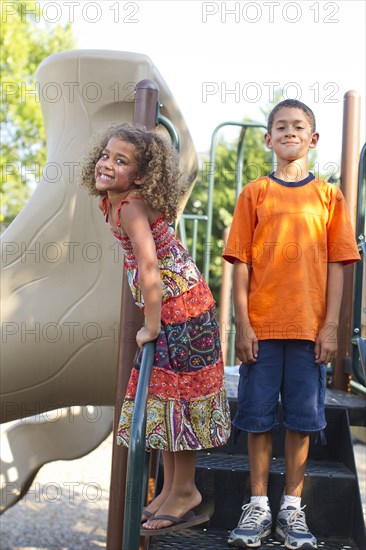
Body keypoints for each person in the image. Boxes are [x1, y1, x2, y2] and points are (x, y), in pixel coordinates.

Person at [80, 123, 231, 536]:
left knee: (178, 400)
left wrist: (151, 324)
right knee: (165, 401)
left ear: (143, 176)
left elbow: (149, 265)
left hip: (181, 313)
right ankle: (172, 490)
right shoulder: (113, 202)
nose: (107, 164)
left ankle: (185, 490)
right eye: (106, 155)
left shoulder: (130, 205)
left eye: (121, 160)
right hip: (178, 309)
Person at [223, 99, 360, 549]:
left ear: (313, 139)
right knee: (258, 419)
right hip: (261, 330)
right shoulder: (254, 193)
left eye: (298, 127)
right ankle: (259, 505)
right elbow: (239, 263)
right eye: (280, 127)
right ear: (268, 139)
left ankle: (291, 510)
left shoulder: (329, 196)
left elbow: (340, 264)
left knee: (302, 419)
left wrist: (332, 327)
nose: (289, 132)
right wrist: (242, 326)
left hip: (308, 331)